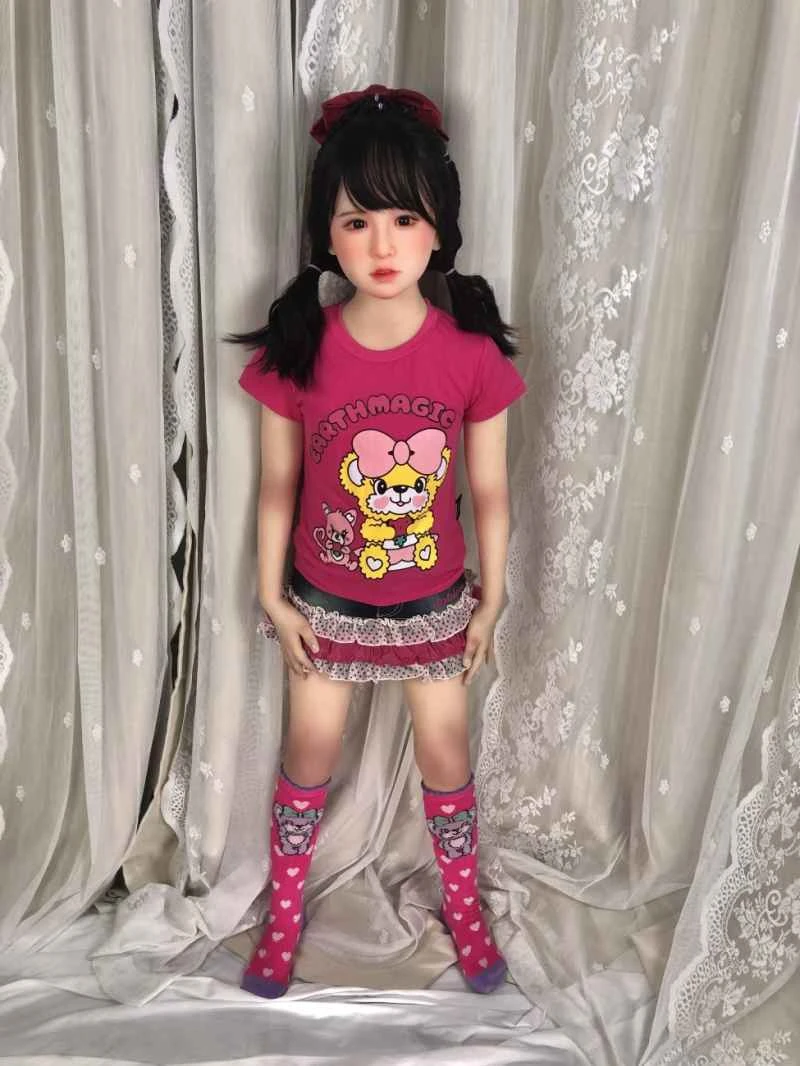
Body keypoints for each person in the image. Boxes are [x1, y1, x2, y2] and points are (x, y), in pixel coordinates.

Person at [230, 85, 526, 1000]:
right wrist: (272, 595)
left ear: (441, 229)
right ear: (327, 233)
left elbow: (489, 490)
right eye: (357, 221)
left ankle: (464, 911)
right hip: (324, 601)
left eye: (405, 218)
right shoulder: (300, 350)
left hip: (435, 603)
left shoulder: (471, 355)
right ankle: (284, 915)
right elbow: (277, 485)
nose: (383, 245)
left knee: (447, 753)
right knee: (308, 753)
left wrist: (494, 597)